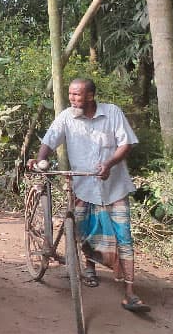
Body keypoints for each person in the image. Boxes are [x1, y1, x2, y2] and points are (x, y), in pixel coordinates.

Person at [28, 78, 148, 313]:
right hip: (83, 187)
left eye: (77, 95)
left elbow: (126, 144)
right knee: (84, 232)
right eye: (70, 94)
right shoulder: (66, 117)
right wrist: (40, 159)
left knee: (124, 237)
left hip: (114, 188)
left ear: (91, 96)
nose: (72, 98)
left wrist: (110, 163)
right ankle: (89, 267)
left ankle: (130, 293)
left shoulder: (112, 113)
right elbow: (50, 140)